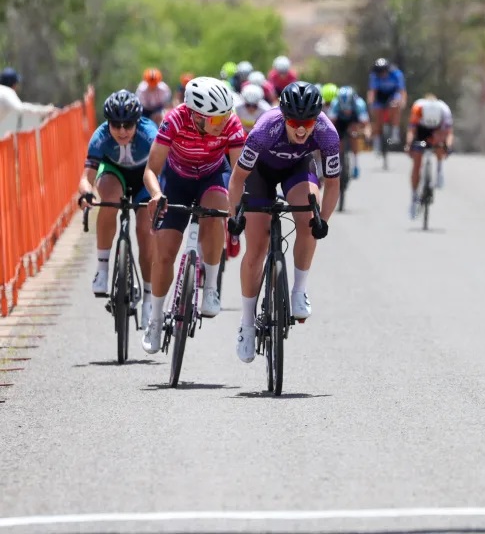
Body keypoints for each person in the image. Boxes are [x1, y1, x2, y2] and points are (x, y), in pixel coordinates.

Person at [227, 81, 340, 363]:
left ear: (317, 118)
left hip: (297, 170)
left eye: (308, 122)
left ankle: (299, 290)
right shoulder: (266, 128)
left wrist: (323, 221)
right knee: (256, 248)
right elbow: (238, 178)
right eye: (294, 122)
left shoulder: (327, 133)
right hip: (259, 173)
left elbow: (334, 183)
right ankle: (247, 323)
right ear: (283, 116)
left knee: (308, 217)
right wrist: (234, 216)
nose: (301, 129)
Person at [140, 77, 246, 355]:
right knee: (164, 254)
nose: (222, 123)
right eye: (214, 120)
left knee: (215, 210)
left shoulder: (231, 123)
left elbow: (239, 172)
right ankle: (155, 317)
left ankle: (210, 286)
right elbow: (151, 169)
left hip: (212, 174)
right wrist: (154, 195)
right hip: (177, 180)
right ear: (196, 116)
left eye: (224, 116)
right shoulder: (174, 120)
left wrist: (242, 204)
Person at [78, 90, 157, 324]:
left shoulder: (149, 134)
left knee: (145, 229)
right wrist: (86, 192)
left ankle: (149, 297)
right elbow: (86, 177)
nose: (122, 131)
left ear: (137, 122)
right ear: (107, 122)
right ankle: (102, 268)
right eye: (116, 124)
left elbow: (160, 173)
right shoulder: (100, 137)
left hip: (144, 177)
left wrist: (158, 197)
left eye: (128, 124)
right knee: (109, 200)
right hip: (114, 174)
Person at [405, 94, 453, 218]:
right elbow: (412, 130)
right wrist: (409, 144)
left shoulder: (444, 111)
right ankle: (414, 197)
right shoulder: (418, 109)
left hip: (438, 131)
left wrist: (447, 147)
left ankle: (439, 170)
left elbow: (448, 133)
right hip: (421, 131)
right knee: (416, 161)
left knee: (441, 145)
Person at [329, 86, 371, 179]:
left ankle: (356, 164)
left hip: (354, 122)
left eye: (348, 108)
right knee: (337, 139)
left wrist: (367, 136)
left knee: (354, 134)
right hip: (340, 122)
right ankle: (339, 162)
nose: (346, 111)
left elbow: (366, 125)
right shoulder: (335, 103)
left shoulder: (359, 104)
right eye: (344, 109)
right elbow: (330, 124)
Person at [366, 58, 407, 150]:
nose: (381, 75)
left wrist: (402, 103)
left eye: (383, 72)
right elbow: (372, 92)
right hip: (380, 95)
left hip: (393, 94)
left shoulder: (397, 74)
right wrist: (371, 105)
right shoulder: (374, 76)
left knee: (396, 105)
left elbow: (402, 91)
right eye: (379, 73)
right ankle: (377, 141)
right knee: (376, 114)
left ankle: (395, 132)